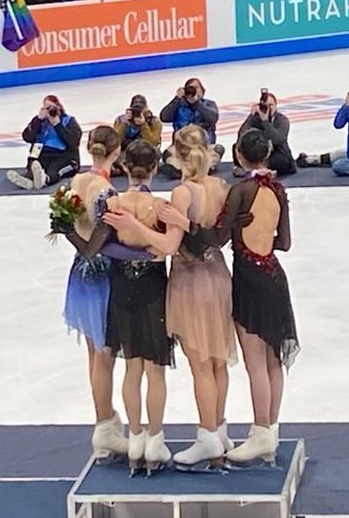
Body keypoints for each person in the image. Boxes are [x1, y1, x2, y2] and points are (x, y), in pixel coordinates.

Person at [106, 125, 237, 469]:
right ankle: (219, 430)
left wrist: (135, 230)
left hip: (191, 282)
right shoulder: (220, 186)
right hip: (219, 276)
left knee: (202, 366)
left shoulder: (182, 193)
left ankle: (208, 435)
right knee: (218, 360)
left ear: (177, 155)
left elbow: (168, 247)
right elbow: (218, 238)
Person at [65, 140, 174, 474]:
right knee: (154, 369)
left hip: (122, 289)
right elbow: (170, 248)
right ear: (155, 167)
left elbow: (99, 247)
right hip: (153, 288)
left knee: (131, 368)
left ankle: (135, 436)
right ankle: (155, 440)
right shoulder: (160, 205)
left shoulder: (113, 203)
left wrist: (67, 229)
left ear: (125, 166)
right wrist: (146, 252)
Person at [196, 129, 298, 465]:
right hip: (273, 275)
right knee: (272, 362)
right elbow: (283, 243)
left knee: (256, 363)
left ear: (238, 154)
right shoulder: (277, 190)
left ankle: (260, 433)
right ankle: (271, 429)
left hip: (250, 280)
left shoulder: (241, 190)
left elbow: (217, 238)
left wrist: (186, 226)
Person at [56, 126, 130, 460]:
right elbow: (98, 245)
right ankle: (104, 427)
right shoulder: (104, 191)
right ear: (116, 152)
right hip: (101, 277)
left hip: (80, 277)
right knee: (104, 357)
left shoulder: (77, 182)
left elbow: (76, 234)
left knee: (94, 355)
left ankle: (106, 420)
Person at [7, 94, 82, 190]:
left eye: (51, 108)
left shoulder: (69, 120)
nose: (49, 112)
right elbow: (27, 137)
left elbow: (74, 142)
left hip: (63, 156)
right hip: (41, 153)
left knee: (55, 169)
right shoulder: (40, 121)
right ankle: (29, 180)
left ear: (58, 107)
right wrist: (38, 120)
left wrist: (57, 125)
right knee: (34, 164)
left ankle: (45, 179)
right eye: (45, 108)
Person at [160, 77, 223, 178]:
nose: (194, 90)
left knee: (218, 149)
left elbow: (213, 118)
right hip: (181, 149)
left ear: (202, 90)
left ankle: (205, 167)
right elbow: (164, 117)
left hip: (203, 148)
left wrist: (197, 103)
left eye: (196, 87)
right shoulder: (179, 105)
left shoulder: (209, 104)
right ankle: (179, 170)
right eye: (190, 88)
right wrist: (176, 99)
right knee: (168, 153)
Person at [234, 92, 296, 177]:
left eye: (271, 105)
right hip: (259, 152)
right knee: (237, 147)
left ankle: (255, 169)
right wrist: (251, 117)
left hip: (276, 152)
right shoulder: (255, 118)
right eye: (265, 106)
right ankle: (254, 169)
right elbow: (242, 135)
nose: (268, 109)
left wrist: (265, 121)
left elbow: (277, 140)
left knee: (282, 159)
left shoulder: (282, 120)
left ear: (276, 106)